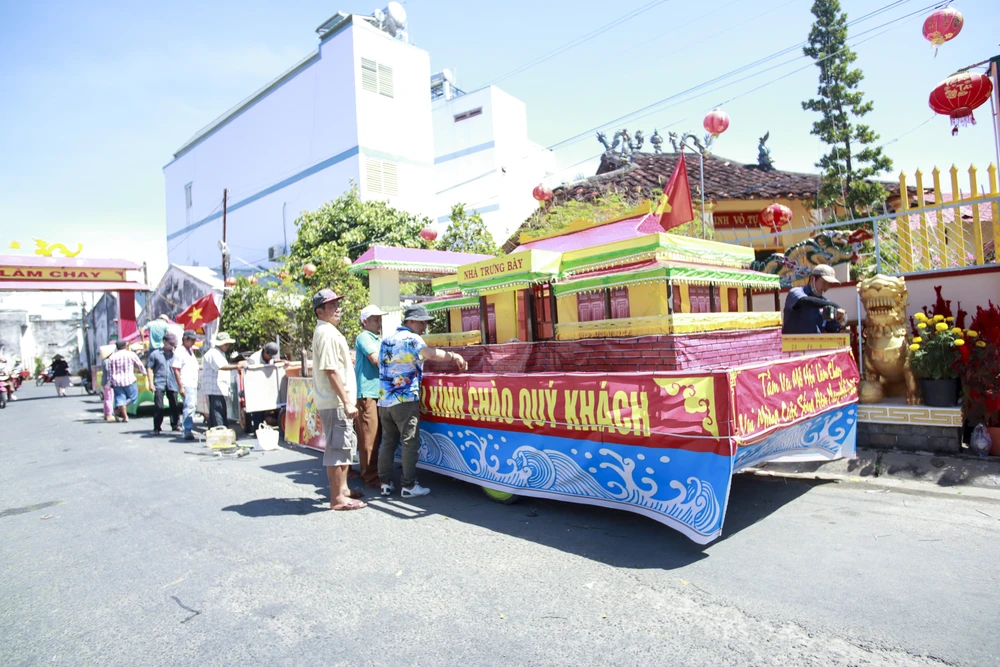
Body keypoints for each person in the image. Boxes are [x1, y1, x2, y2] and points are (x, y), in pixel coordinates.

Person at [377, 304, 467, 498]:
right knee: (410, 442)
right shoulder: (412, 338)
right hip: (404, 399)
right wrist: (454, 356)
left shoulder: (387, 340)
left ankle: (384, 482)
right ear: (411, 321)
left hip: (384, 401)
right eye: (423, 322)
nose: (425, 326)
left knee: (388, 442)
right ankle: (409, 486)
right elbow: (431, 354)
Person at [311, 289, 365, 511]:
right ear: (320, 311)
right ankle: (337, 499)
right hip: (335, 402)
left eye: (337, 304)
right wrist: (346, 401)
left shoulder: (329, 332)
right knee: (336, 449)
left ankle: (342, 490)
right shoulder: (326, 333)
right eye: (331, 305)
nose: (337, 308)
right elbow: (331, 370)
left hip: (337, 401)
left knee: (344, 448)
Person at [354, 305, 387, 489]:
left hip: (378, 392)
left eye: (380, 319)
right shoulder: (364, 337)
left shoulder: (377, 338)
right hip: (367, 392)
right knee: (369, 436)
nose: (379, 322)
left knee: (376, 434)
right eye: (376, 319)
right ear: (365, 322)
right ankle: (370, 476)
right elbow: (376, 360)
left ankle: (374, 472)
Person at [782, 264, 847, 335]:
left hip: (816, 344)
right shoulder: (795, 292)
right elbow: (804, 301)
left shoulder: (825, 303)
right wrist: (835, 305)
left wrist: (841, 322)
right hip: (792, 344)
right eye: (824, 282)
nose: (826, 288)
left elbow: (831, 328)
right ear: (813, 278)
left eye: (829, 284)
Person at [201, 331, 246, 429]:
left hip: (218, 388)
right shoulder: (213, 353)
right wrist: (237, 366)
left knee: (216, 412)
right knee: (218, 411)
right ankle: (220, 431)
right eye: (226, 343)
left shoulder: (219, 353)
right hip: (215, 388)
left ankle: (215, 432)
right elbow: (221, 366)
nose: (228, 345)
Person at [147, 333, 181, 435]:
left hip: (172, 382)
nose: (172, 345)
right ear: (164, 342)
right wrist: (150, 383)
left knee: (174, 404)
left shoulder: (176, 355)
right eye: (170, 343)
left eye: (174, 343)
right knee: (159, 406)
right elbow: (149, 368)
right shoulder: (155, 354)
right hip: (159, 382)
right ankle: (157, 427)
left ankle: (175, 424)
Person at [245, 342, 284, 433]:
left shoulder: (271, 358)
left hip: (268, 388)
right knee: (258, 410)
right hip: (257, 388)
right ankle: (257, 430)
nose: (271, 358)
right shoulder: (254, 359)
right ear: (265, 352)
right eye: (270, 355)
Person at [105, 340, 145, 423]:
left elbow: (110, 372)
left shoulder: (112, 357)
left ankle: (123, 413)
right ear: (125, 346)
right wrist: (144, 373)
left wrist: (110, 382)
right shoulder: (131, 354)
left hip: (117, 382)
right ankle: (121, 407)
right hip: (130, 380)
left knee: (120, 398)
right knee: (133, 397)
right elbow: (139, 365)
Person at [172, 330, 201, 440]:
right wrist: (180, 386)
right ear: (186, 339)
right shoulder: (180, 351)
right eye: (192, 340)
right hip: (186, 382)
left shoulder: (190, 351)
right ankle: (187, 430)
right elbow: (176, 369)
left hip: (192, 382)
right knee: (189, 406)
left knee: (192, 406)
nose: (193, 342)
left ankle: (188, 428)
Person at [99, 344, 116, 422]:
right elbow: (110, 372)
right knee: (109, 399)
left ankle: (106, 414)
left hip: (105, 381)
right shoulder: (108, 361)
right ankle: (109, 414)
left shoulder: (104, 361)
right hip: (108, 382)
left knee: (106, 398)